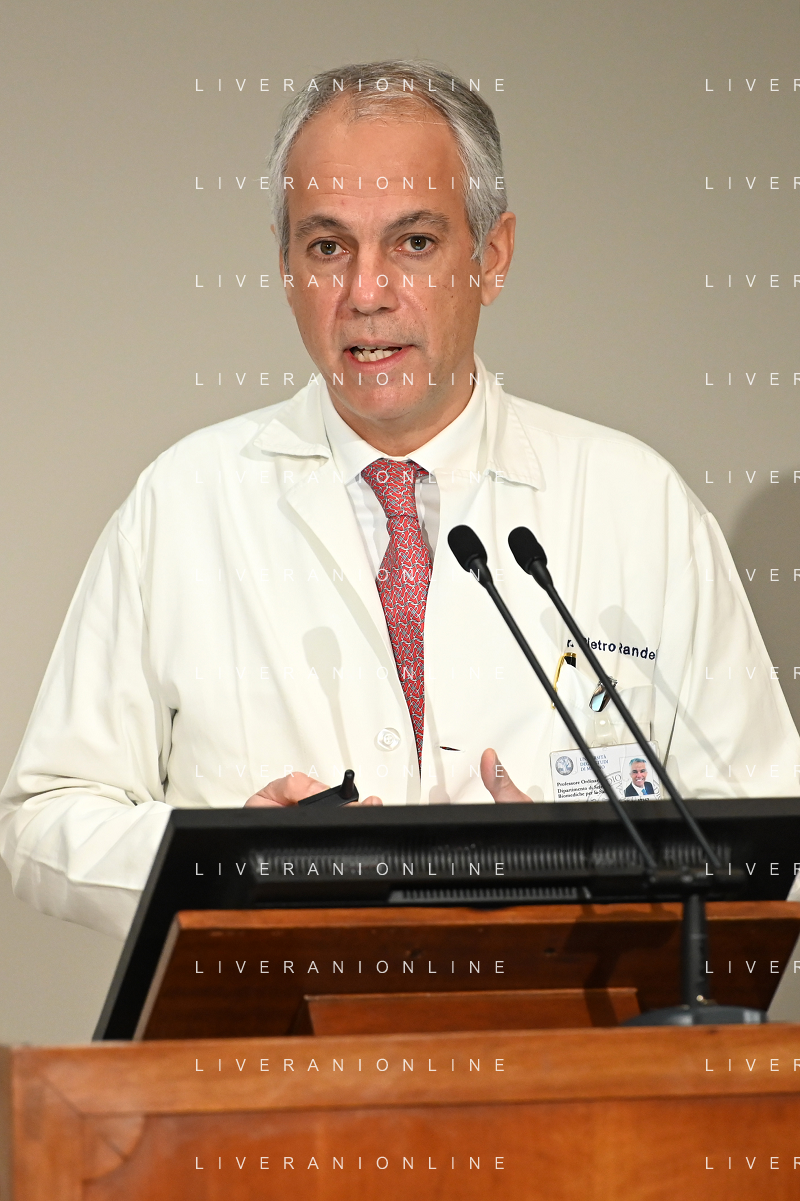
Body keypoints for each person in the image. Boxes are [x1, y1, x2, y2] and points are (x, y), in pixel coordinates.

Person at [2, 60, 799, 941]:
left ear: (491, 258)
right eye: (327, 247)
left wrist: (597, 872)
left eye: (414, 243)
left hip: (563, 1013)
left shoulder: (639, 507)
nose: (367, 294)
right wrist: (230, 861)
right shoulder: (183, 503)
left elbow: (776, 838)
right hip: (277, 1021)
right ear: (284, 266)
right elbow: (45, 817)